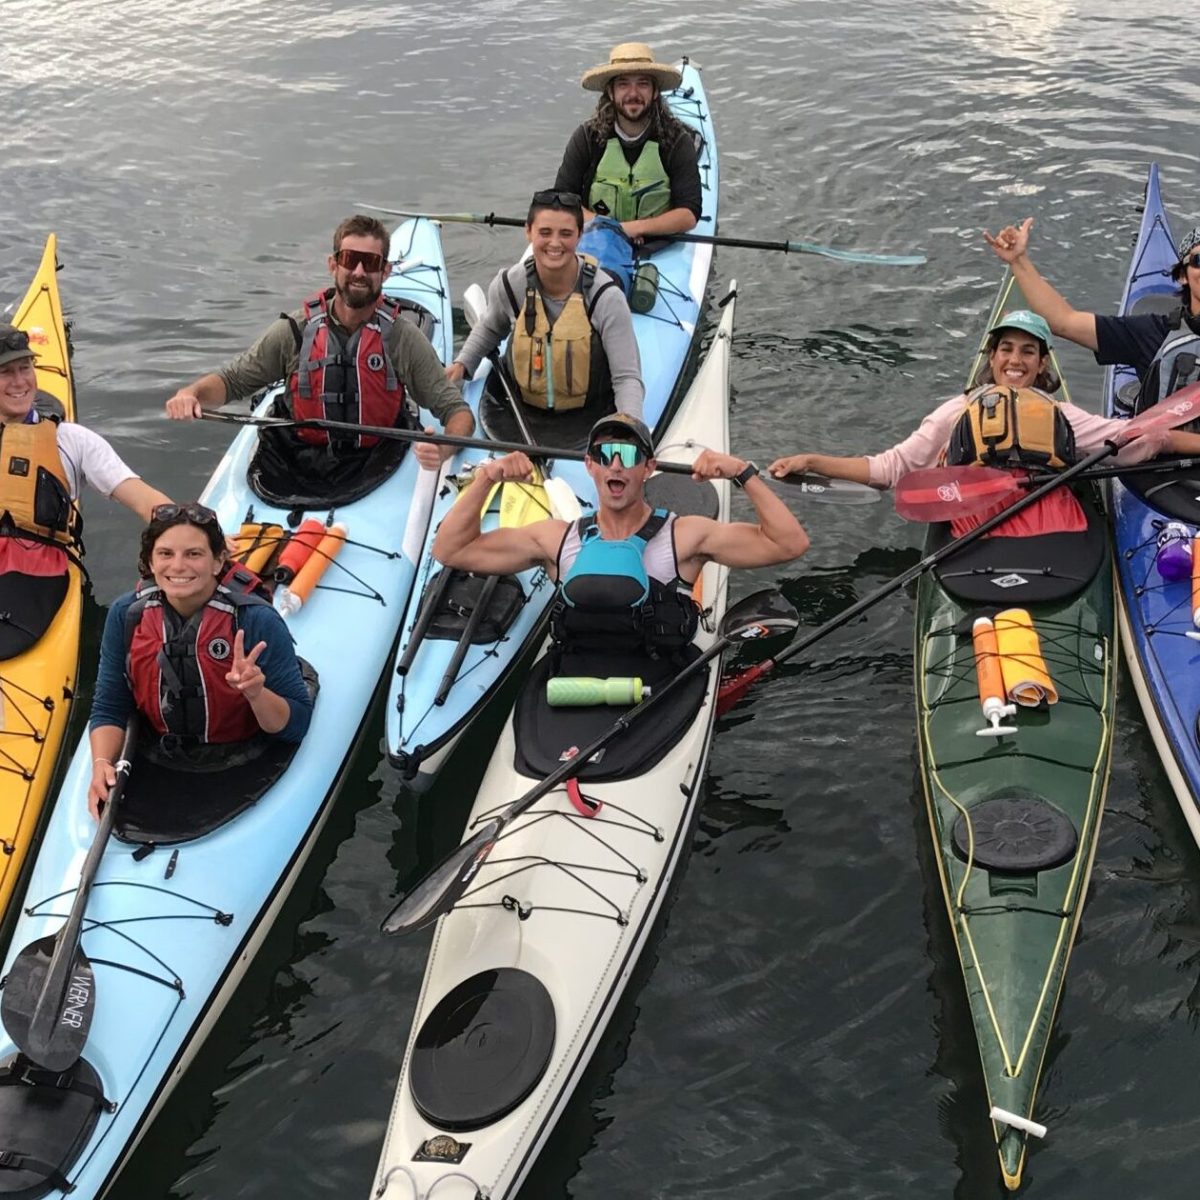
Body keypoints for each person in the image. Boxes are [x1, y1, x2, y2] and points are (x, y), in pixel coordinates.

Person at [433, 414, 809, 667]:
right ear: (590, 465)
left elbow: (788, 543)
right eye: (604, 454)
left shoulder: (685, 536)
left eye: (628, 454)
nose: (616, 464)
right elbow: (451, 550)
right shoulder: (555, 540)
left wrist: (743, 474)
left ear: (648, 468)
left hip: (660, 684)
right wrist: (487, 478)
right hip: (577, 682)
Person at [766, 311, 1200, 530]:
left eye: (1028, 351)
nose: (1015, 360)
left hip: (1028, 517)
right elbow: (888, 470)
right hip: (979, 519)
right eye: (1006, 349)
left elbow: (1142, 437)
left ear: (1042, 363)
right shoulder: (956, 412)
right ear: (992, 358)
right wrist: (813, 460)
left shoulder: (1060, 415)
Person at [164, 214, 474, 476]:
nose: (359, 272)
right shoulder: (294, 332)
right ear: (333, 265)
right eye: (351, 260)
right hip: (296, 460)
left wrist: (444, 449)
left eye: (371, 263)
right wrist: (191, 394)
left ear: (386, 271)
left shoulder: (403, 339)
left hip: (378, 462)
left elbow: (458, 413)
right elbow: (233, 381)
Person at [87, 502, 314, 817]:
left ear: (219, 560)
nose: (178, 566)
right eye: (165, 554)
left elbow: (296, 724)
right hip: (161, 753)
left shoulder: (256, 620)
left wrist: (256, 693)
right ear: (150, 562)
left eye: (194, 554)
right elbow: (109, 707)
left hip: (244, 754)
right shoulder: (126, 615)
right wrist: (101, 764)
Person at [445, 190, 645, 419]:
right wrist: (461, 364)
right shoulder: (509, 285)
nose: (555, 243)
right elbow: (491, 327)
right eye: (545, 232)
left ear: (580, 236)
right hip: (520, 412)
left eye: (566, 234)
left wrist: (629, 429)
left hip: (591, 412)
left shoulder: (605, 297)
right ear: (528, 232)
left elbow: (626, 378)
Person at [0, 321, 170, 576]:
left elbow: (145, 501)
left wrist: (195, 530)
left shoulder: (72, 440)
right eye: (5, 372)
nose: (19, 381)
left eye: (25, 368)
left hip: (38, 573)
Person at [985, 218, 1200, 410]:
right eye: (1199, 260)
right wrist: (1018, 261)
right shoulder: (1151, 333)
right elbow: (1063, 321)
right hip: (1165, 453)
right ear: (1182, 275)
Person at [554, 42, 702, 243]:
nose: (633, 94)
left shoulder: (677, 141)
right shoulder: (587, 138)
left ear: (655, 92)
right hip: (597, 242)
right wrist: (610, 229)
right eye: (623, 84)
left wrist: (635, 229)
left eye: (643, 84)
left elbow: (688, 214)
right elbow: (562, 201)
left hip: (657, 245)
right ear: (611, 92)